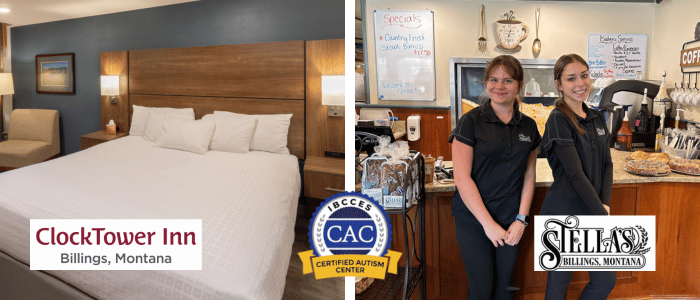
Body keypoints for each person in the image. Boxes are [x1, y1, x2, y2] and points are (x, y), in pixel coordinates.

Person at [449, 55, 540, 300]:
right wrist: (488, 225)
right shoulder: (470, 121)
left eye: (507, 80)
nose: (499, 86)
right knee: (481, 289)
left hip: (511, 218)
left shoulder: (529, 126)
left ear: (519, 85)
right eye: (494, 79)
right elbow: (462, 178)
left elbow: (529, 174)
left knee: (503, 290)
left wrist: (521, 219)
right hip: (474, 219)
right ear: (486, 83)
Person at [539, 53, 616, 299]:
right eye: (571, 78)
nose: (580, 83)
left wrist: (605, 203)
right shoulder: (558, 119)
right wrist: (602, 215)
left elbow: (607, 163)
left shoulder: (596, 117)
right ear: (559, 85)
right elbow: (574, 174)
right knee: (558, 287)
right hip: (564, 211)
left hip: (594, 208)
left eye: (584, 76)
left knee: (606, 280)